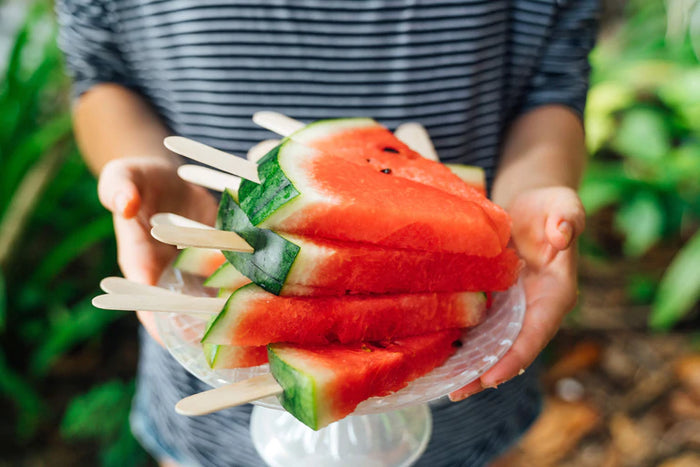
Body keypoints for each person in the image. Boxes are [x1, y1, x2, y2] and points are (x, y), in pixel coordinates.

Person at [56, 1, 596, 465]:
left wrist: (536, 184)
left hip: (471, 369)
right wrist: (143, 163)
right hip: (213, 327)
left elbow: (553, 85)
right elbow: (101, 76)